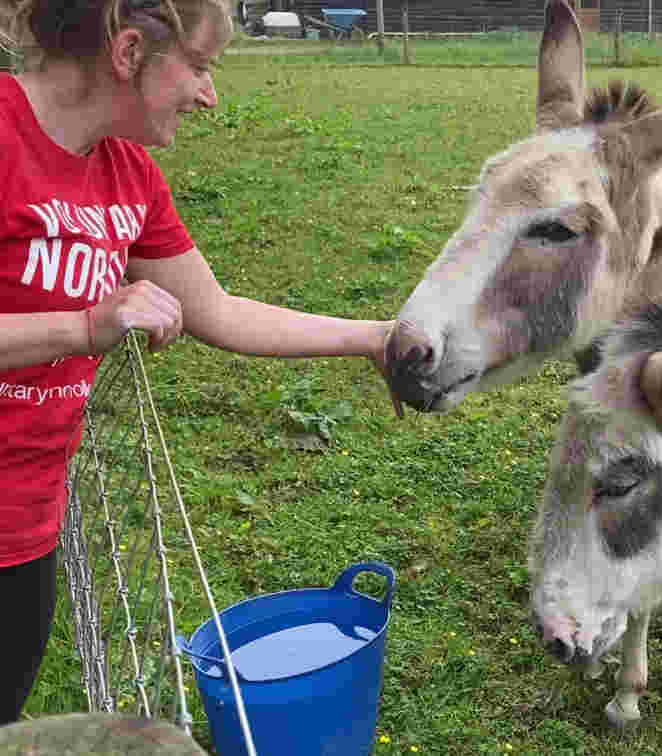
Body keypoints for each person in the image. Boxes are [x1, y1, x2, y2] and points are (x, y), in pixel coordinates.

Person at [0, 0, 392, 724]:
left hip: (26, 520)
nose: (211, 95)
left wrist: (373, 336)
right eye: (202, 67)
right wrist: (87, 324)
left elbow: (218, 311)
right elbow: (89, 324)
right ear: (127, 54)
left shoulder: (130, 177)